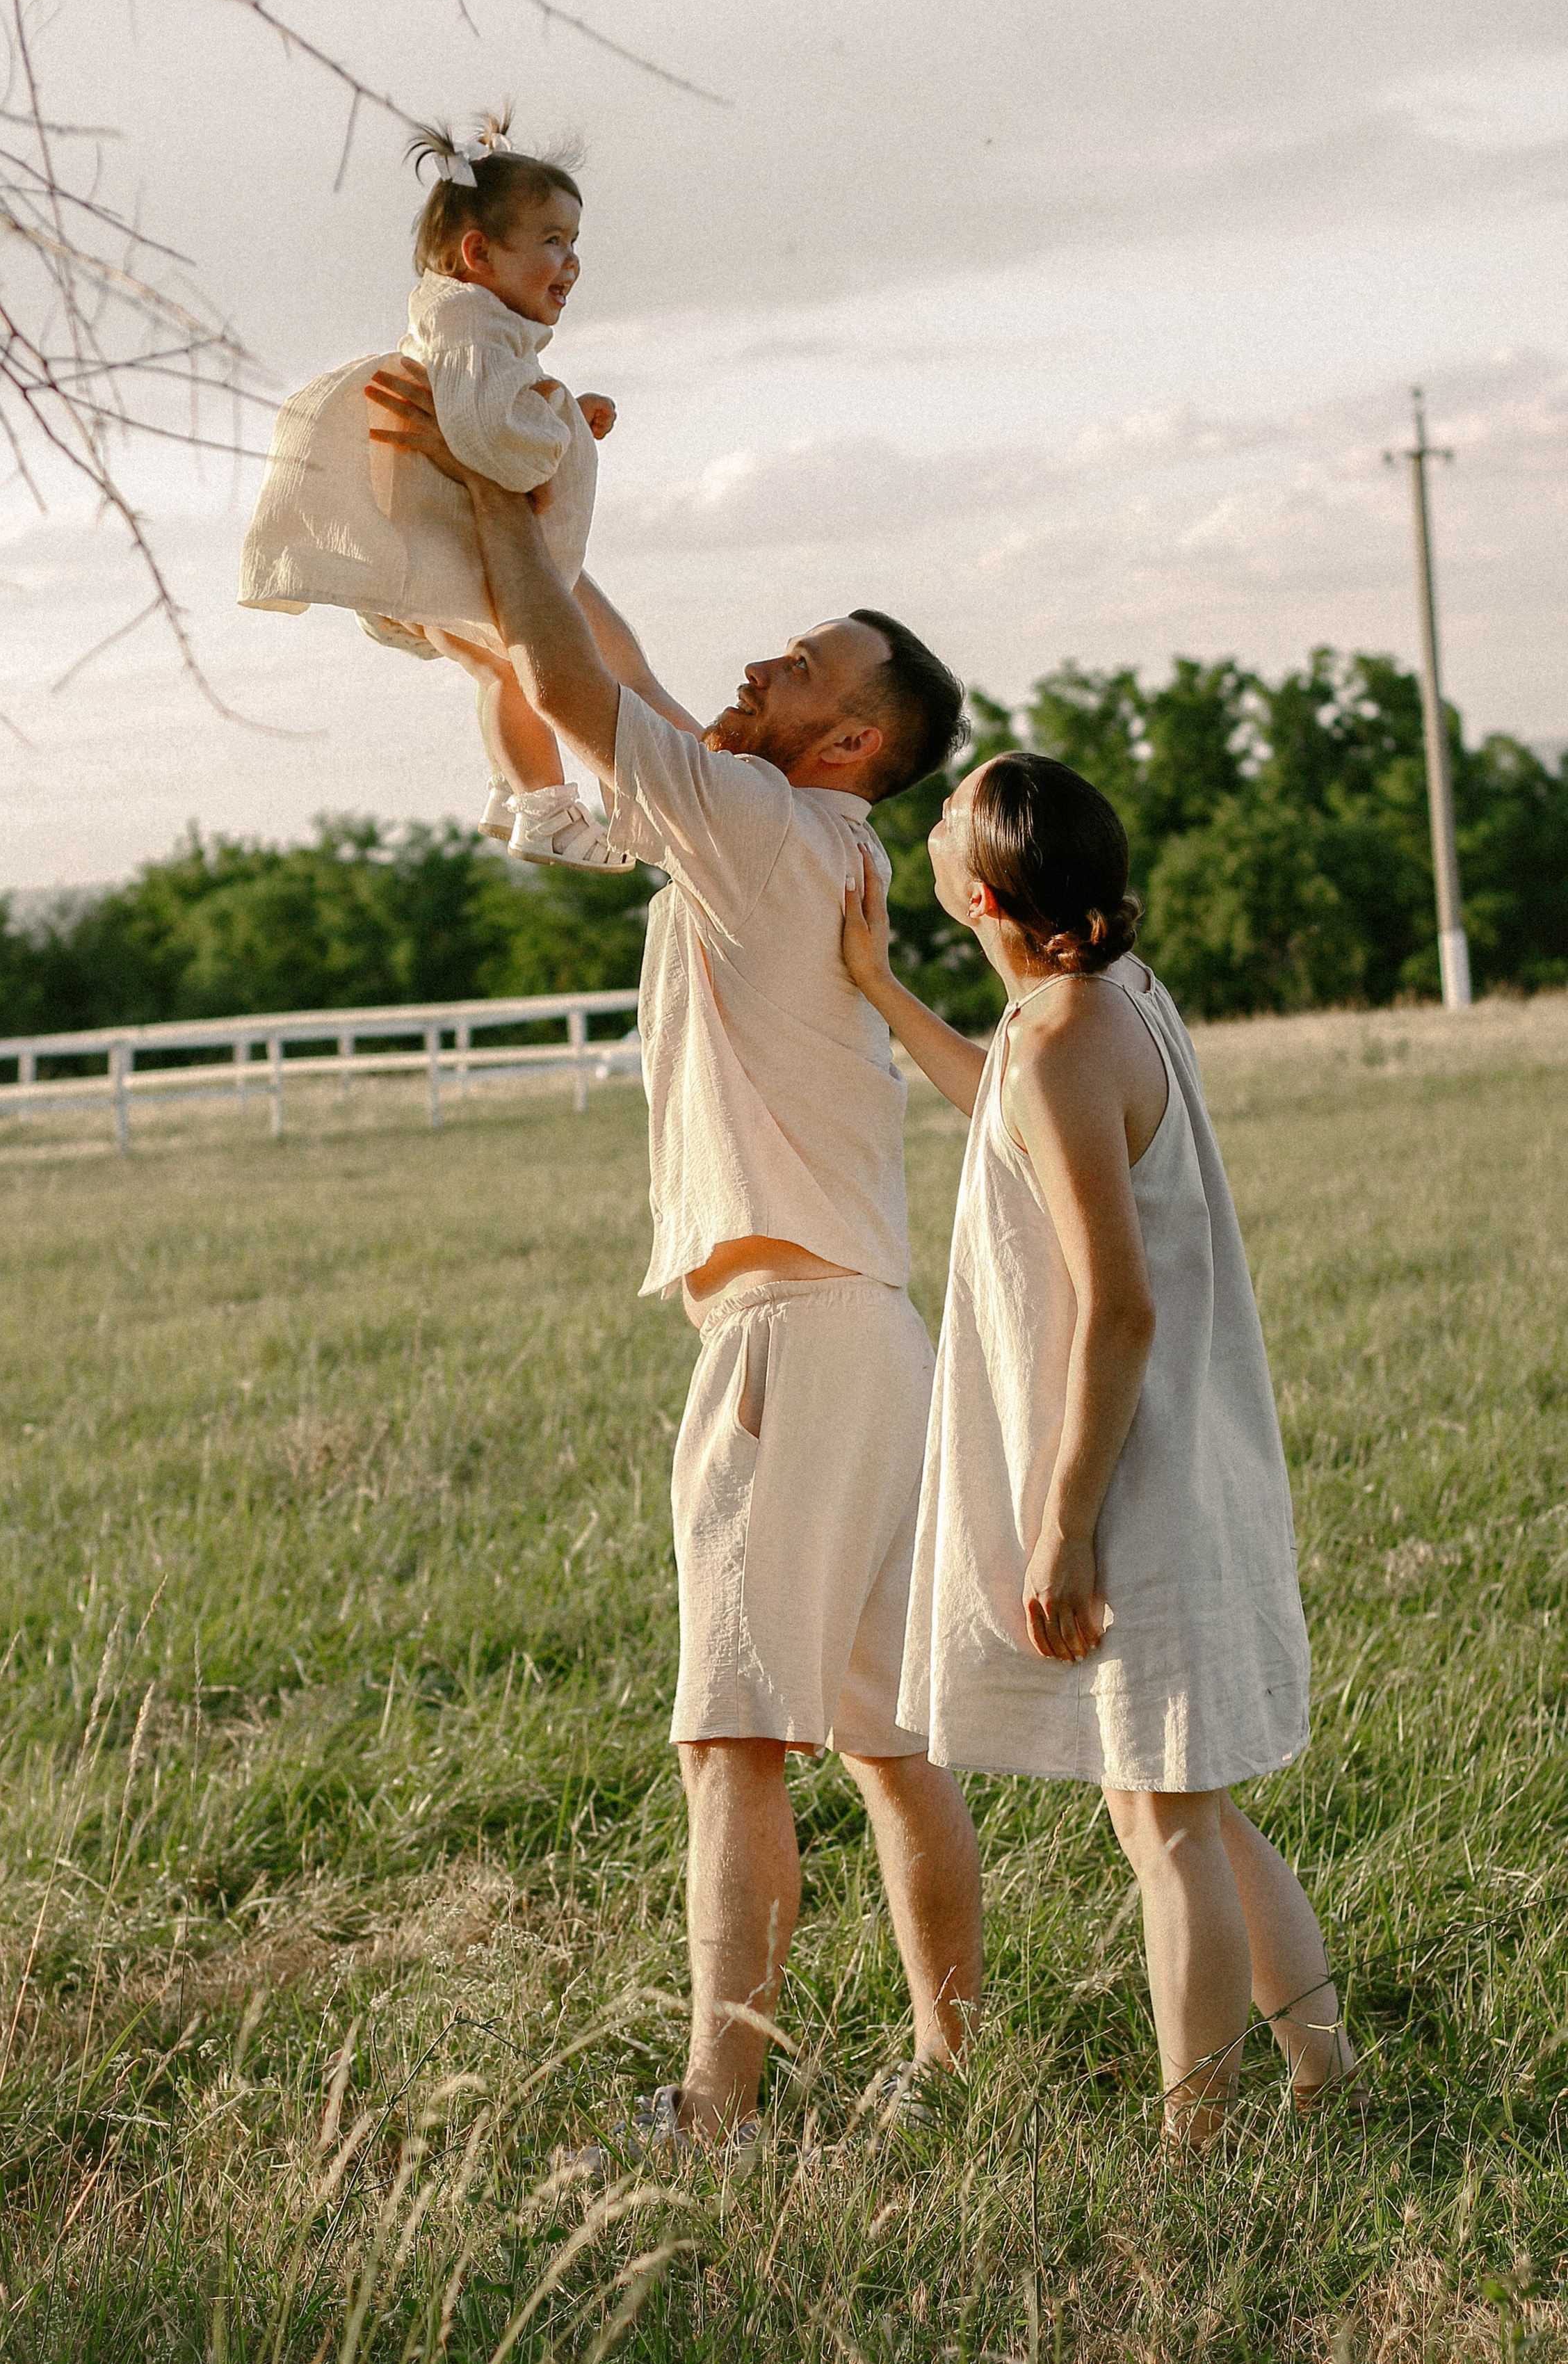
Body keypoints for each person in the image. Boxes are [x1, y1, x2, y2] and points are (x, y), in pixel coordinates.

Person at [370, 355, 984, 2146]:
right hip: (857, 1319)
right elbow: (562, 715)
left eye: (793, 669)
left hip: (792, 1330)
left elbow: (590, 679)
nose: (753, 673)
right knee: (877, 1727)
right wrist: (515, 563)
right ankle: (944, 2075)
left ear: (848, 735)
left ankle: (718, 2102)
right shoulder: (780, 833)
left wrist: (502, 487)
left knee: (735, 1731)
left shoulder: (759, 825)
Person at [841, 750, 1361, 2143]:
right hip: (1166, 1457)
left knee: (1166, 1827)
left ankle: (1196, 2136)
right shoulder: (1072, 1011)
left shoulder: (1071, 1038)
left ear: (986, 887)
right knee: (1187, 1806)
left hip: (1141, 1476)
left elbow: (1116, 1304)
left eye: (946, 818)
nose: (929, 820)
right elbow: (1005, 1115)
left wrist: (1061, 1527)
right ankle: (1325, 2073)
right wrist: (885, 988)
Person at [240, 110, 631, 873]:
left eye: (575, 242)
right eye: (553, 240)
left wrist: (563, 414)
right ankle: (544, 811)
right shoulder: (469, 324)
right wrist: (558, 428)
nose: (572, 261)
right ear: (479, 253)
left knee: (497, 672)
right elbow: (494, 443)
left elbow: (472, 417)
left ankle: (510, 784)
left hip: (424, 538)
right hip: (435, 546)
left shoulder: (472, 326)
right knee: (516, 670)